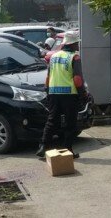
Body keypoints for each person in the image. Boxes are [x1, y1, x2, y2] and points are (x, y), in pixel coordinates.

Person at [36, 31, 88, 159]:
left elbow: (48, 77)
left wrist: (47, 91)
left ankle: (43, 146)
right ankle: (67, 150)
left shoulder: (53, 56)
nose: (78, 46)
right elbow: (77, 79)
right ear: (72, 44)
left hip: (53, 93)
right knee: (70, 123)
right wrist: (83, 94)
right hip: (69, 95)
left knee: (52, 121)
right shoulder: (74, 57)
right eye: (77, 43)